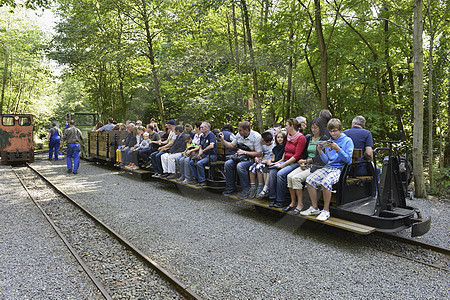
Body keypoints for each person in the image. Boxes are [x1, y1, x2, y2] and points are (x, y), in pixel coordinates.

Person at [302, 118, 354, 221]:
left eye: (335, 130)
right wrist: (320, 151)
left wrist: (338, 149)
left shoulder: (347, 141)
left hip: (339, 169)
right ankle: (315, 208)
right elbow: (326, 161)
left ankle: (326, 211)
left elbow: (348, 160)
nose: (333, 133)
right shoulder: (329, 141)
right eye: (331, 131)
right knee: (309, 180)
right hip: (328, 167)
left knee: (325, 183)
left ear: (340, 129)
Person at [286, 118, 327, 214]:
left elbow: (322, 158)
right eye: (312, 128)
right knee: (289, 176)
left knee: (296, 178)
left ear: (320, 128)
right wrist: (303, 162)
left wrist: (308, 160)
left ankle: (300, 204)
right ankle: (293, 202)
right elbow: (304, 153)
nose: (313, 130)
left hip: (316, 166)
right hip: (306, 164)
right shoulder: (309, 138)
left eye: (316, 128)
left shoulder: (324, 139)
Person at [218, 121, 263, 199]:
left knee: (240, 166)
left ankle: (246, 189)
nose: (238, 132)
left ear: (246, 130)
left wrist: (245, 152)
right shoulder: (239, 135)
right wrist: (222, 140)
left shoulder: (256, 136)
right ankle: (231, 188)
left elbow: (259, 153)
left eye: (240, 130)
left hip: (252, 158)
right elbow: (232, 145)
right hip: (240, 157)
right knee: (228, 164)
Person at [268, 118, 306, 208]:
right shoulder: (288, 136)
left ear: (292, 126)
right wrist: (277, 163)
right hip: (285, 160)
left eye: (286, 125)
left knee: (280, 174)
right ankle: (272, 197)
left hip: (295, 162)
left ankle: (281, 200)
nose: (285, 127)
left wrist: (284, 165)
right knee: (272, 172)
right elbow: (285, 152)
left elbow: (297, 155)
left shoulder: (301, 138)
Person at [186, 122, 218, 186]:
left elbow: (211, 146)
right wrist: (200, 153)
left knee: (199, 163)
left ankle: (202, 181)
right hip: (204, 155)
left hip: (211, 155)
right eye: (200, 127)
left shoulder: (211, 135)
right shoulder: (202, 136)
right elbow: (201, 146)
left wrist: (203, 151)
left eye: (202, 127)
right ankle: (196, 178)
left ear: (207, 128)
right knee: (192, 162)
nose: (201, 128)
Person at [256, 131, 286, 199]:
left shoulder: (285, 147)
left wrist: (274, 163)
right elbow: (273, 158)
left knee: (271, 170)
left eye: (281, 137)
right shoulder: (275, 148)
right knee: (266, 168)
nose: (280, 139)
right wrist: (269, 162)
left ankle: (265, 188)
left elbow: (282, 159)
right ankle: (266, 189)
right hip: (274, 162)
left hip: (280, 162)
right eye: (278, 137)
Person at [247, 131, 275, 198]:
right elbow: (260, 154)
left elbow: (274, 157)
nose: (261, 141)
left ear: (268, 142)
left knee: (259, 168)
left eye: (262, 141)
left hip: (268, 162)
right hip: (262, 160)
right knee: (251, 168)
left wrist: (267, 161)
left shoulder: (274, 146)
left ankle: (260, 186)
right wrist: (257, 157)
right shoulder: (263, 145)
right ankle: (253, 186)